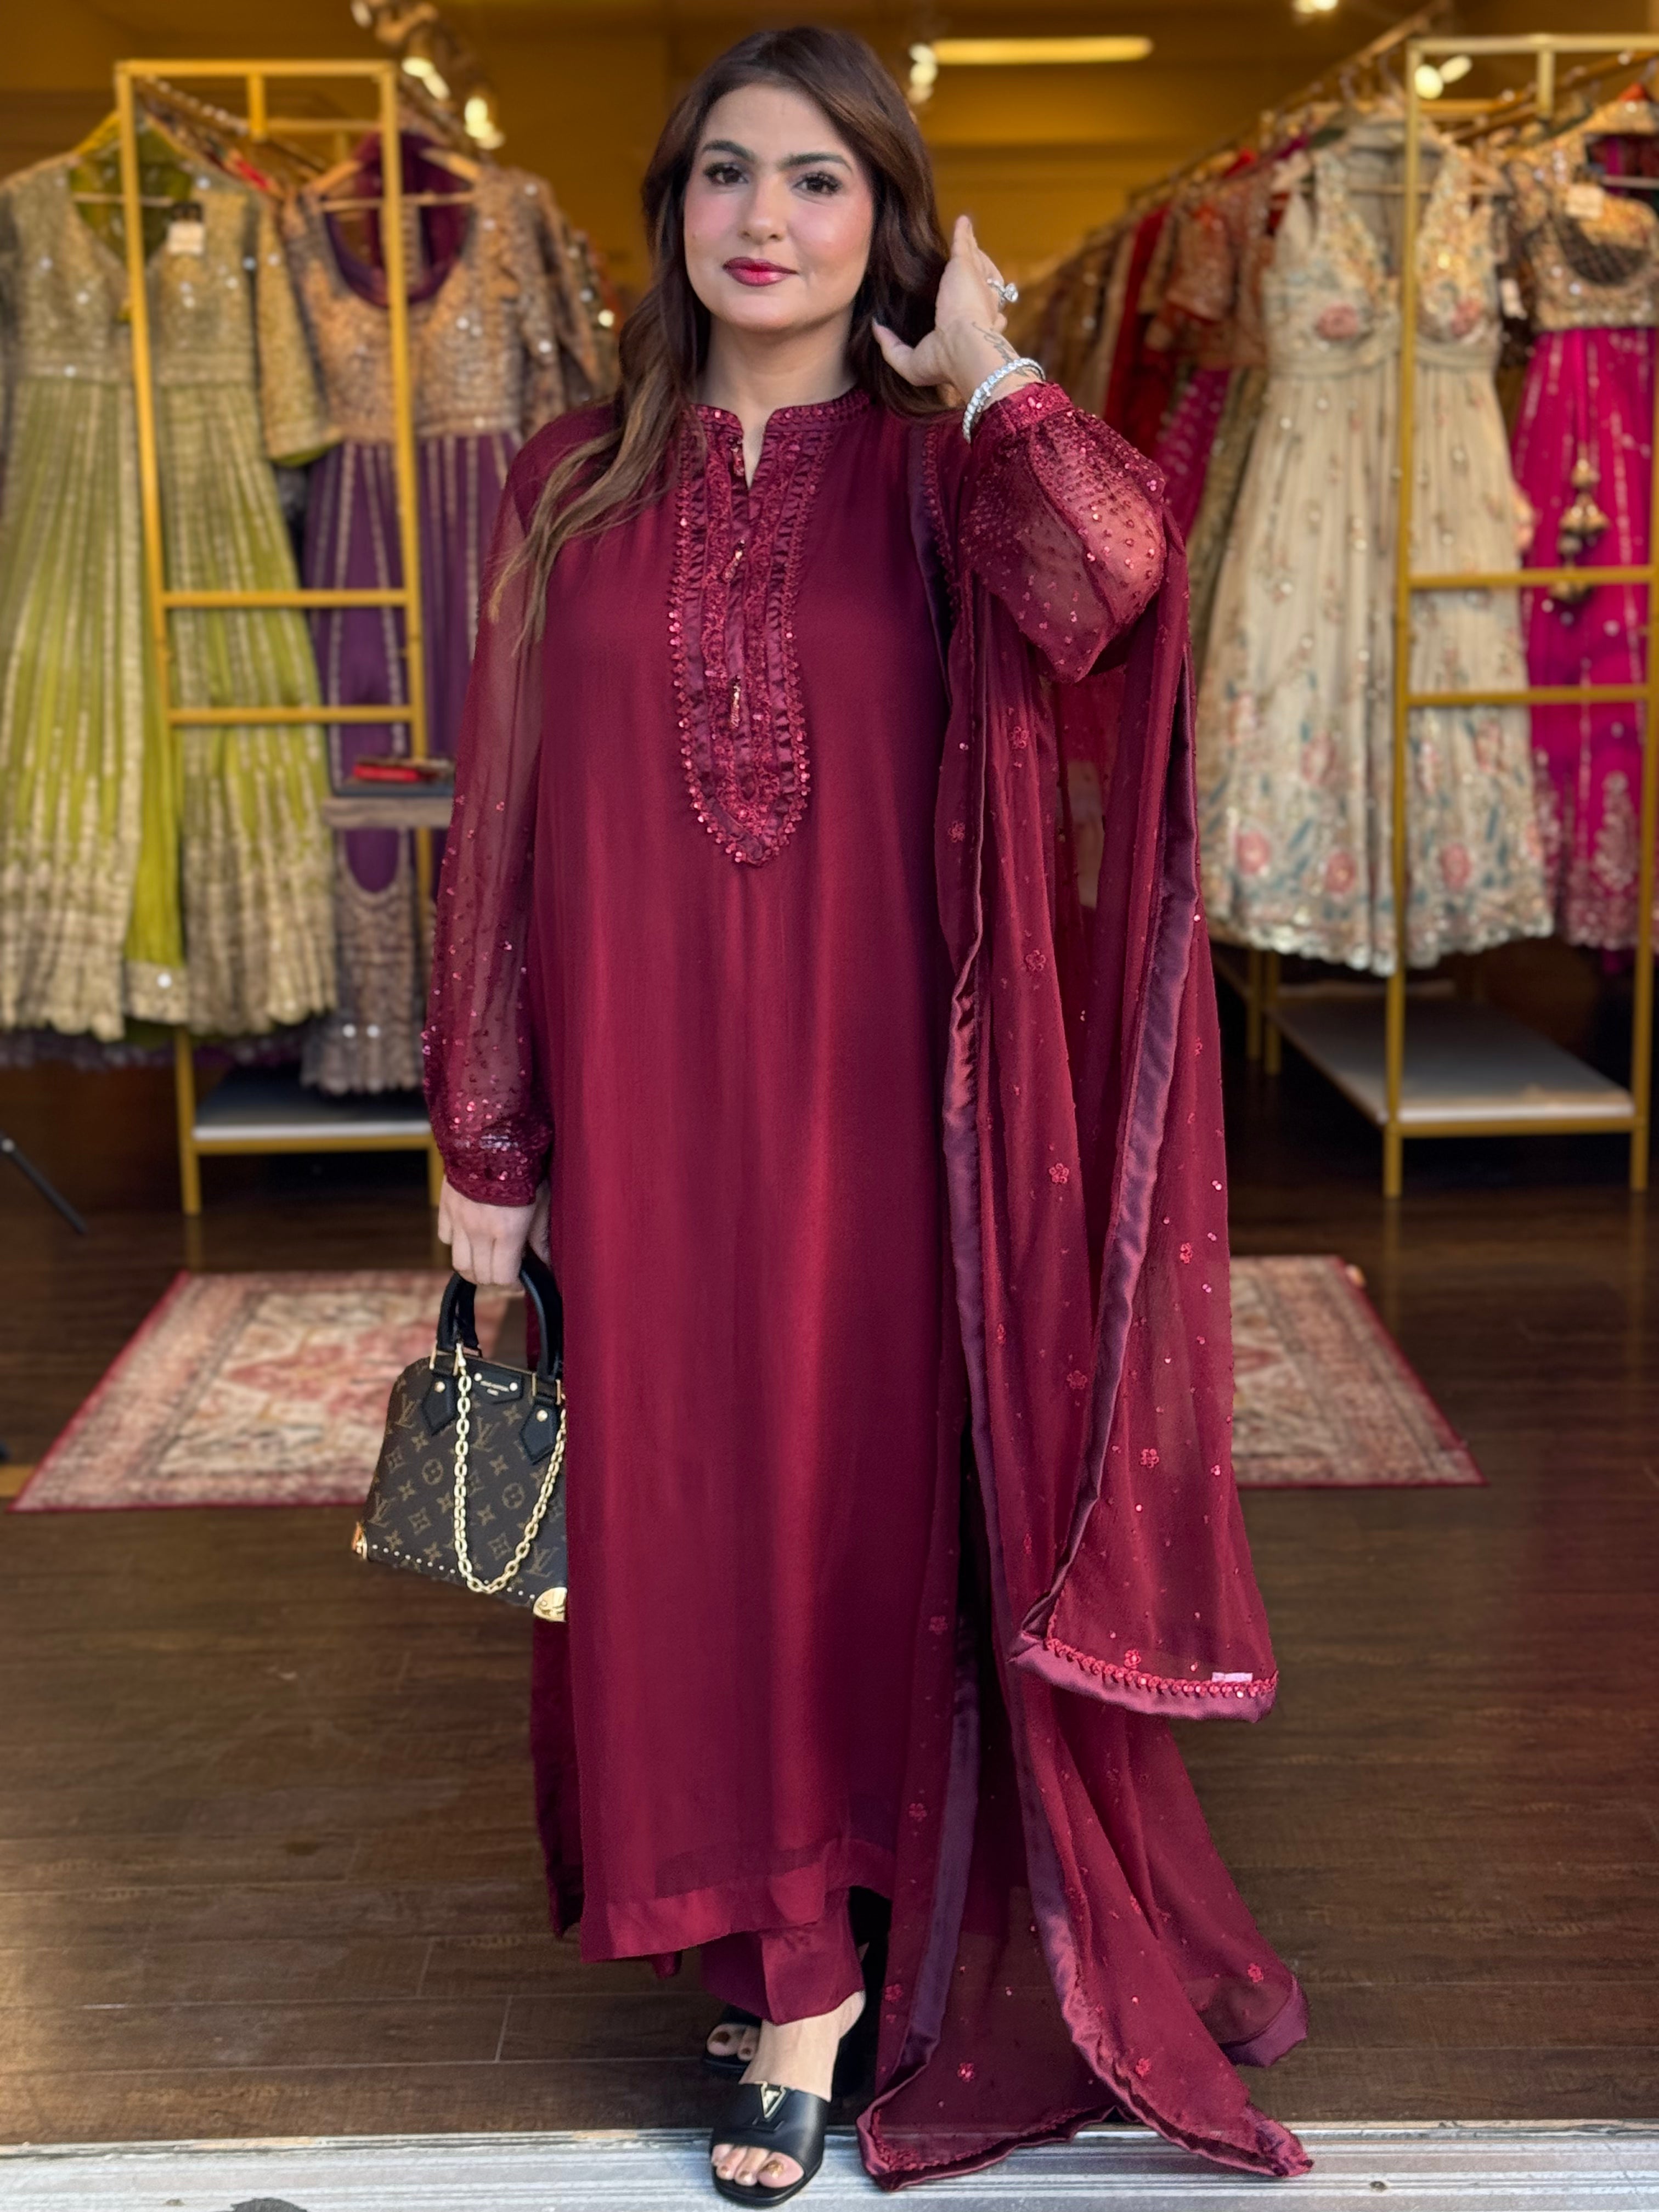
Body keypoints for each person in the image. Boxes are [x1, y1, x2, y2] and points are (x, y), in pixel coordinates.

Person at [426, 25, 1309, 2205]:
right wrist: (487, 1151)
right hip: (643, 1111)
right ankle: (771, 1933)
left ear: (889, 220)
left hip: (890, 1121)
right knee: (674, 1514)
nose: (765, 219)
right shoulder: (570, 483)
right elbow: (501, 825)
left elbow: (1119, 576)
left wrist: (992, 372)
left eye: (818, 180)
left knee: (851, 1510)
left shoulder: (942, 482)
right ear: (672, 213)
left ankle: (815, 1975)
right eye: (727, 174)